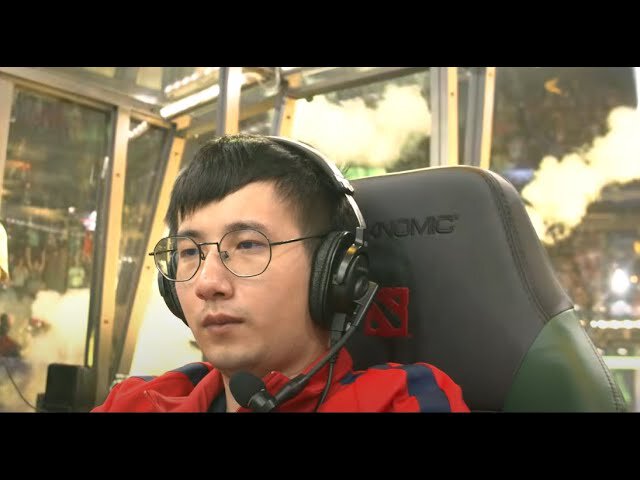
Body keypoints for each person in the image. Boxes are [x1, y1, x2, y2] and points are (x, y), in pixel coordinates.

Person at [92, 134, 469, 413]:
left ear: (333, 272)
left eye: (247, 245)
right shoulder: (135, 401)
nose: (207, 284)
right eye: (190, 252)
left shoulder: (399, 401)